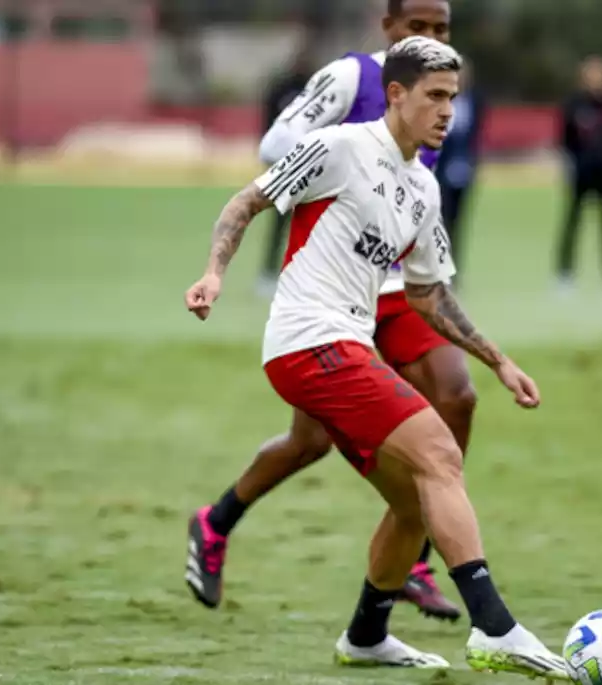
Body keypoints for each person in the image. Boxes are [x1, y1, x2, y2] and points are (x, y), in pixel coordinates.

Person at [184, 36, 569, 677]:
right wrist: (214, 273)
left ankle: (366, 636)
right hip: (310, 342)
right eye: (435, 97)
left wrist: (498, 360)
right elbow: (246, 201)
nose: (449, 111)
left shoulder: (422, 187)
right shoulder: (341, 149)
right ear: (396, 95)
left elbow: (426, 292)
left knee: (417, 499)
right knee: (441, 452)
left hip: (342, 348)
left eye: (455, 98)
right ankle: (495, 628)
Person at [187, 0, 472, 623]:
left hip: (397, 285)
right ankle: (214, 522)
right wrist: (347, 158)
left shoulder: (442, 90)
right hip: (336, 291)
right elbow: (275, 141)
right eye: (416, 27)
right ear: (388, 27)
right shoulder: (352, 78)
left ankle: (416, 551)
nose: (428, 38)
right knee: (309, 441)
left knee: (457, 393)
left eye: (440, 29)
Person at [556, 55, 602, 293]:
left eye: (599, 74)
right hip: (580, 174)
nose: (595, 79)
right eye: (591, 74)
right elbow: (564, 141)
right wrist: (569, 165)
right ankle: (564, 275)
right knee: (572, 223)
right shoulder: (573, 105)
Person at [256, 45, 317, 296]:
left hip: (311, 164)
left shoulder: (315, 91)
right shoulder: (280, 89)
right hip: (283, 165)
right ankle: (268, 273)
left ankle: (305, 277)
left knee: (310, 222)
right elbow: (267, 122)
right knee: (279, 222)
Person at [435, 59, 486, 287]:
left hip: (465, 170)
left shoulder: (476, 102)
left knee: (459, 222)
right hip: (442, 171)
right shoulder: (440, 102)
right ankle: (438, 269)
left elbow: (475, 137)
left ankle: (455, 270)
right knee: (441, 221)